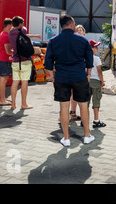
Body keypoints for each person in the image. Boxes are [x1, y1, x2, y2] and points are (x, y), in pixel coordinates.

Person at [44, 15, 95, 147]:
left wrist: (52, 76)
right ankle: (87, 136)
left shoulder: (53, 41)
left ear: (62, 25)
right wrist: (88, 74)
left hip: (61, 77)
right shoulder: (82, 40)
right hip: (79, 76)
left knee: (64, 107)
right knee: (83, 105)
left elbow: (48, 62)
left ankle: (66, 138)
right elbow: (89, 59)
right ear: (72, 24)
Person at [8, 16, 41, 110]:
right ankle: (24, 104)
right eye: (22, 23)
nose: (23, 24)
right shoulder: (22, 30)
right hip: (25, 61)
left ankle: (13, 104)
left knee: (15, 82)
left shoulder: (10, 33)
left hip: (15, 61)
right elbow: (24, 31)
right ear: (20, 24)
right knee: (24, 82)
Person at [69, 24, 87, 121]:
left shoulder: (85, 42)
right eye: (78, 30)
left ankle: (74, 112)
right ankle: (72, 112)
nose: (80, 31)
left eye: (81, 30)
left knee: (78, 93)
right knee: (73, 92)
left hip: (82, 70)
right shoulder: (73, 42)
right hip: (75, 70)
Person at [88, 40, 106, 128]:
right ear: (91, 48)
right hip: (95, 81)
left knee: (85, 102)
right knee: (96, 101)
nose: (97, 48)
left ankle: (84, 121)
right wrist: (102, 81)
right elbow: (99, 71)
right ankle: (96, 120)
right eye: (95, 47)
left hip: (86, 81)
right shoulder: (96, 59)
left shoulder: (84, 58)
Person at [0, 18, 13, 106]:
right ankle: (2, 100)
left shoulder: (1, 34)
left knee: (3, 79)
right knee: (3, 79)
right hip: (5, 60)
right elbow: (8, 51)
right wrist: (17, 52)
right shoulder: (6, 36)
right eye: (12, 26)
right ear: (9, 25)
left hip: (2, 60)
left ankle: (2, 98)